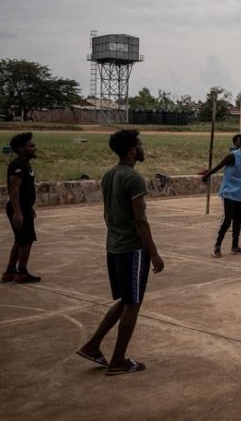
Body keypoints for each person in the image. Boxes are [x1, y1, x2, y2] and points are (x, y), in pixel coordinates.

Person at [77, 129, 164, 375]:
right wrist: (154, 253)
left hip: (113, 246)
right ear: (132, 150)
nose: (142, 147)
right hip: (132, 249)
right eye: (140, 144)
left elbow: (110, 213)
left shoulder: (109, 175)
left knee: (126, 299)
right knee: (133, 303)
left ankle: (93, 345)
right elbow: (140, 221)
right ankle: (117, 361)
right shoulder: (133, 178)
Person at [200, 132, 241, 258]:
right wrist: (206, 176)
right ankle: (217, 246)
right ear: (240, 142)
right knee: (227, 220)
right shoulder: (233, 156)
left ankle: (235, 246)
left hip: (240, 192)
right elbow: (218, 167)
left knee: (238, 220)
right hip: (229, 192)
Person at [1, 132, 41, 284]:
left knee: (20, 240)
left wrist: (27, 207)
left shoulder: (24, 164)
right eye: (31, 146)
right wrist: (18, 211)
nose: (34, 148)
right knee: (27, 240)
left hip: (23, 208)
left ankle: (10, 272)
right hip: (19, 209)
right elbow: (14, 188)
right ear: (21, 149)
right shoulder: (18, 164)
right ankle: (21, 272)